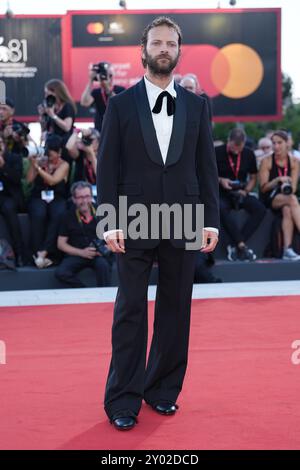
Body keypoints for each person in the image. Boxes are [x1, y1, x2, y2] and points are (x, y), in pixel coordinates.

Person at [97, 16, 219, 431]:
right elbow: (107, 167)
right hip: (131, 218)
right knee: (130, 310)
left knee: (176, 309)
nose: (163, 48)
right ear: (143, 50)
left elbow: (206, 168)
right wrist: (109, 221)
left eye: (171, 42)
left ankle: (163, 391)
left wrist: (212, 222)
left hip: (185, 218)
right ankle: (122, 399)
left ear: (179, 50)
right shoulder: (120, 104)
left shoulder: (198, 106)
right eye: (157, 42)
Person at [216, 128, 266, 262]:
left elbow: (253, 177)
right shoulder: (217, 152)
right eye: (233, 148)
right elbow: (208, 174)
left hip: (241, 192)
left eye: (240, 148)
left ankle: (236, 244)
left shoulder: (248, 153)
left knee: (260, 209)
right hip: (223, 192)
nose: (237, 151)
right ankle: (241, 245)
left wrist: (246, 191)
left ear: (244, 143)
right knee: (220, 208)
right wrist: (221, 180)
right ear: (228, 141)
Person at [55, 181, 112, 288]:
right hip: (78, 254)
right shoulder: (67, 215)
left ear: (91, 196)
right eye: (80, 197)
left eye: (87, 196)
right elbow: (61, 244)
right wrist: (81, 252)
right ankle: (85, 291)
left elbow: (115, 237)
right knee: (61, 273)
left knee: (103, 266)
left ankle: (104, 296)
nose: (84, 201)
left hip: (98, 255)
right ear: (74, 199)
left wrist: (106, 248)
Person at [27, 135, 69, 268]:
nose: (49, 157)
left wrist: (39, 169)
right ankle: (36, 252)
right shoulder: (41, 161)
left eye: (51, 154)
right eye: (48, 153)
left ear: (59, 152)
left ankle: (47, 253)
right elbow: (29, 180)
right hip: (39, 195)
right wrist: (34, 165)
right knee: (38, 213)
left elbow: (53, 180)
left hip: (57, 196)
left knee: (58, 214)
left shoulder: (64, 164)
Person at [259, 130, 300, 260]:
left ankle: (287, 249)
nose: (276, 146)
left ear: (287, 143)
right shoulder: (267, 161)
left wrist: (285, 185)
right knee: (292, 200)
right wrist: (277, 181)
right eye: (274, 143)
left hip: (286, 197)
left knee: (288, 209)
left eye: (279, 143)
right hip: (269, 197)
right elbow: (263, 188)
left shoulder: (294, 161)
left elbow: (292, 188)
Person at [38, 79, 76, 163]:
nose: (46, 96)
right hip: (51, 143)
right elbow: (44, 129)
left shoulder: (67, 106)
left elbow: (67, 127)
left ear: (56, 92)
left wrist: (53, 115)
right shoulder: (51, 107)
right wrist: (42, 116)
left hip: (64, 144)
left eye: (48, 93)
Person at [0, 136, 25, 266]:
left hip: (9, 196)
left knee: (10, 210)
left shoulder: (14, 158)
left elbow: (17, 179)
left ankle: (19, 253)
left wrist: (3, 166)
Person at [80, 61, 125, 132]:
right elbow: (84, 102)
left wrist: (107, 87)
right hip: (100, 128)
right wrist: (90, 80)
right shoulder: (96, 92)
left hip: (117, 127)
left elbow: (119, 105)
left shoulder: (120, 90)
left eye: (110, 75)